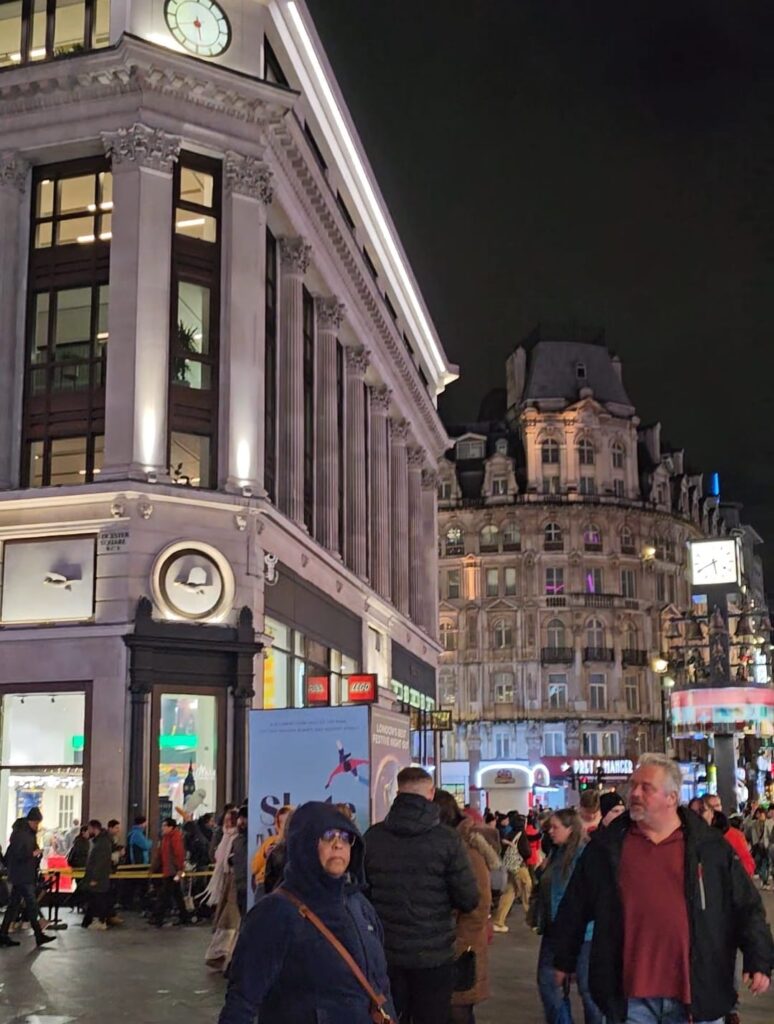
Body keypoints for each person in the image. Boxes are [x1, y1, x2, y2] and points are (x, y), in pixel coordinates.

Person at [553, 752, 774, 1024]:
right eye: (633, 785)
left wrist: (759, 959)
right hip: (630, 997)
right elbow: (575, 904)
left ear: (672, 797)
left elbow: (746, 906)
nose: (634, 793)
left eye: (646, 787)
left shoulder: (709, 848)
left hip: (696, 993)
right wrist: (563, 958)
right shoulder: (608, 848)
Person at [219, 802, 395, 1024]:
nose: (338, 845)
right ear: (305, 844)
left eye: (345, 837)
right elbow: (242, 1001)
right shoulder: (275, 913)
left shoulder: (360, 906)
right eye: (328, 836)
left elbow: (380, 986)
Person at [363, 765, 479, 1024]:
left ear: (397, 792)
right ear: (431, 793)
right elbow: (469, 898)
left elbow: (363, 894)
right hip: (434, 954)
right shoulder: (447, 840)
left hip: (386, 953)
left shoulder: (373, 837)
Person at [530, 809, 602, 1024]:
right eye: (549, 827)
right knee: (550, 985)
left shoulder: (583, 855)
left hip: (583, 933)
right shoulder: (556, 853)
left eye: (555, 827)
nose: (550, 832)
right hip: (555, 930)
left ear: (571, 829)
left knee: (588, 991)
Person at [434, 790, 495, 1024]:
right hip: (448, 950)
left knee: (457, 1011)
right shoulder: (452, 848)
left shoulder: (465, 853)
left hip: (461, 954)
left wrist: (457, 945)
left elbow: (478, 908)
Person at [0, 807, 56, 949]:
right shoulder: (22, 834)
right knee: (31, 904)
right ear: (31, 821)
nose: (37, 826)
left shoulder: (25, 833)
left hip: (21, 875)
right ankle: (39, 936)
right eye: (36, 823)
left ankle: (3, 934)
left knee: (14, 906)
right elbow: (19, 855)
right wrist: (34, 853)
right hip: (23, 876)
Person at [493, 815, 532, 933]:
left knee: (509, 892)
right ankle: (532, 920)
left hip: (510, 867)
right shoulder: (522, 835)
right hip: (519, 867)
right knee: (527, 891)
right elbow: (526, 852)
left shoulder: (509, 834)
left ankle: (499, 922)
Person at [151, 818, 191, 928]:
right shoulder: (165, 838)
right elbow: (160, 854)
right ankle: (184, 917)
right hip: (169, 871)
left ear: (171, 827)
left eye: (164, 826)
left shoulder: (175, 838)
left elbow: (179, 854)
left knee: (165, 894)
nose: (162, 828)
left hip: (173, 871)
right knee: (176, 894)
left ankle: (158, 918)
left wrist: (179, 868)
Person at [701, 801, 755, 877]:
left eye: (717, 805)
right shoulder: (699, 838)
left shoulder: (734, 835)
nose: (716, 808)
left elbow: (747, 862)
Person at [82, 819, 117, 929]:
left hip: (99, 878)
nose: (88, 832)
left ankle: (100, 921)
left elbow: (100, 862)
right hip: (97, 877)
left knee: (99, 899)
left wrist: (95, 878)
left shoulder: (102, 843)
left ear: (94, 828)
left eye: (89, 829)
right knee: (95, 899)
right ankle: (92, 921)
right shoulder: (99, 842)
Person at [251, 804, 292, 891]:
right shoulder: (270, 841)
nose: (284, 826)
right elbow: (254, 868)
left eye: (288, 821)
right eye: (281, 822)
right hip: (264, 883)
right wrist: (265, 855)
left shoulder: (298, 843)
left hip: (287, 885)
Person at [230, 806, 249, 918]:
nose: (241, 821)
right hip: (239, 883)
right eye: (239, 818)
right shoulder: (237, 840)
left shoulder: (251, 838)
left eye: (244, 818)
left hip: (248, 883)